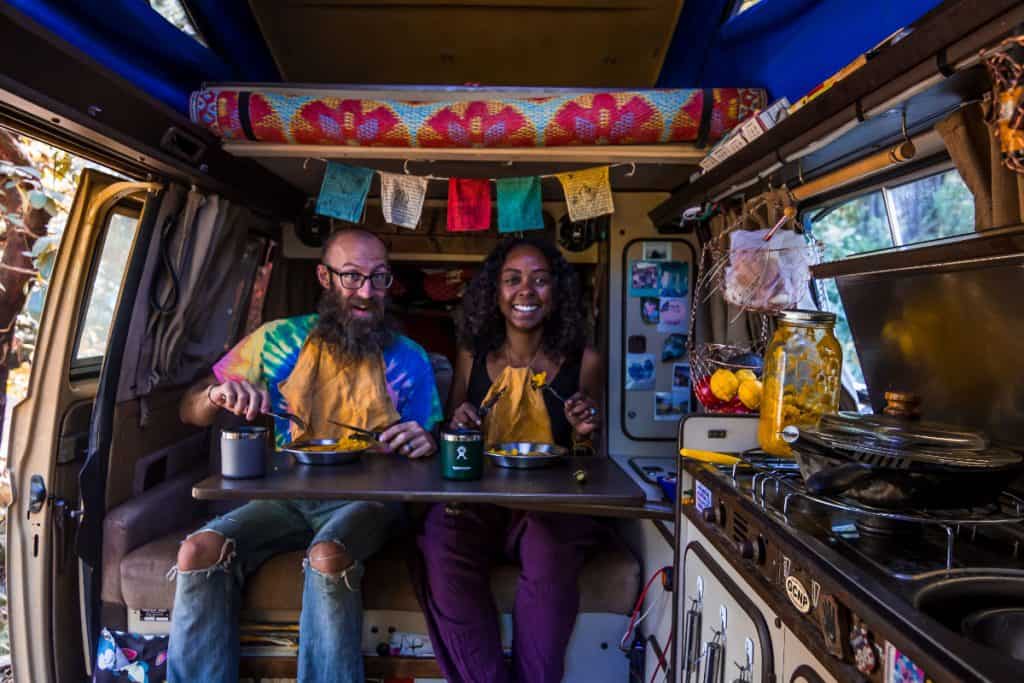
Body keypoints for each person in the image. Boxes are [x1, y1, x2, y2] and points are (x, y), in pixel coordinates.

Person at [167, 229, 443, 683]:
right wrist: (217, 394)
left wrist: (424, 443)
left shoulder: (410, 358)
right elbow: (189, 410)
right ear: (324, 276)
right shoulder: (276, 340)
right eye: (351, 276)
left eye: (380, 278)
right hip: (286, 494)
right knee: (199, 550)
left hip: (372, 499)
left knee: (328, 554)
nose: (367, 292)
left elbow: (429, 455)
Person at [416, 236, 604, 683]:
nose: (526, 291)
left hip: (554, 505)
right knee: (441, 539)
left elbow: (591, 458)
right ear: (494, 292)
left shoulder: (586, 361)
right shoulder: (472, 356)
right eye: (513, 280)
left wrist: (584, 430)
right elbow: (452, 433)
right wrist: (458, 424)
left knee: (547, 545)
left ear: (556, 292)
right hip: (483, 501)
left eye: (540, 281)